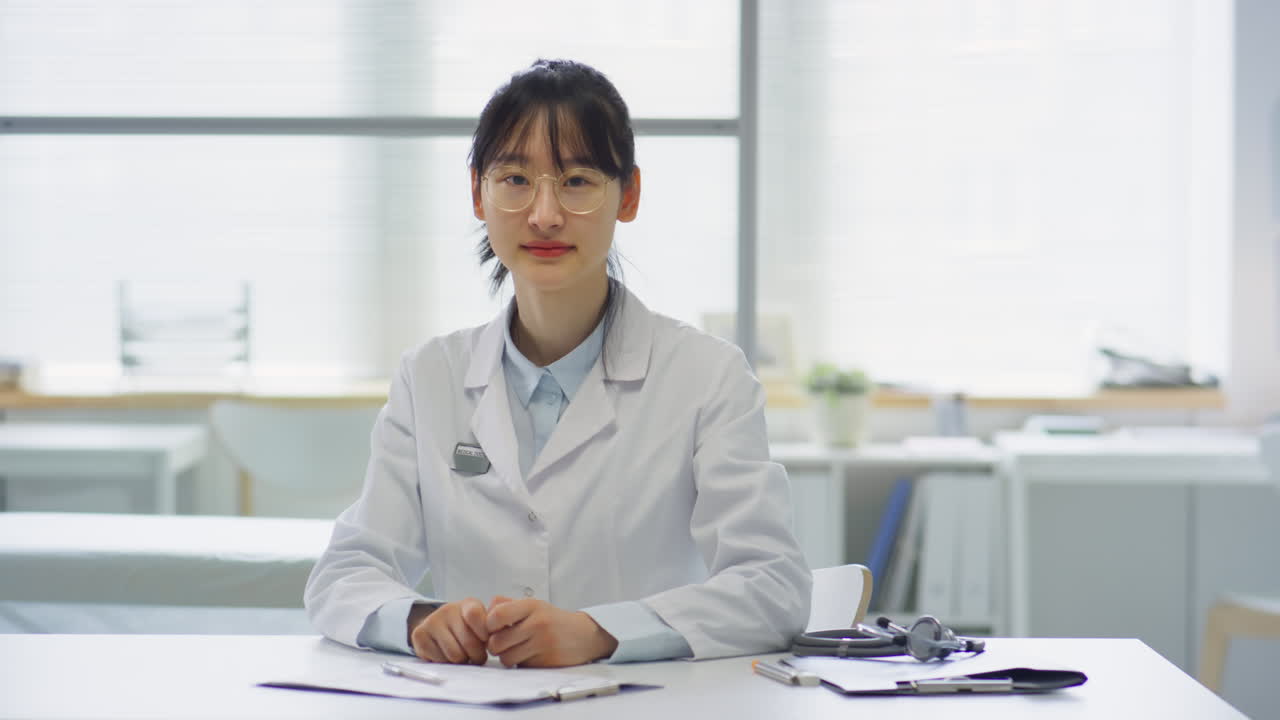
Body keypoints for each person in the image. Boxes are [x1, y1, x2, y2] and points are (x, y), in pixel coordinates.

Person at [304, 59, 811, 668]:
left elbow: (773, 585)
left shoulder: (707, 378)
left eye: (576, 181)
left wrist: (603, 633)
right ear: (477, 193)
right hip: (475, 702)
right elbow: (345, 573)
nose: (544, 214)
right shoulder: (430, 377)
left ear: (628, 195)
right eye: (515, 179)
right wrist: (418, 621)